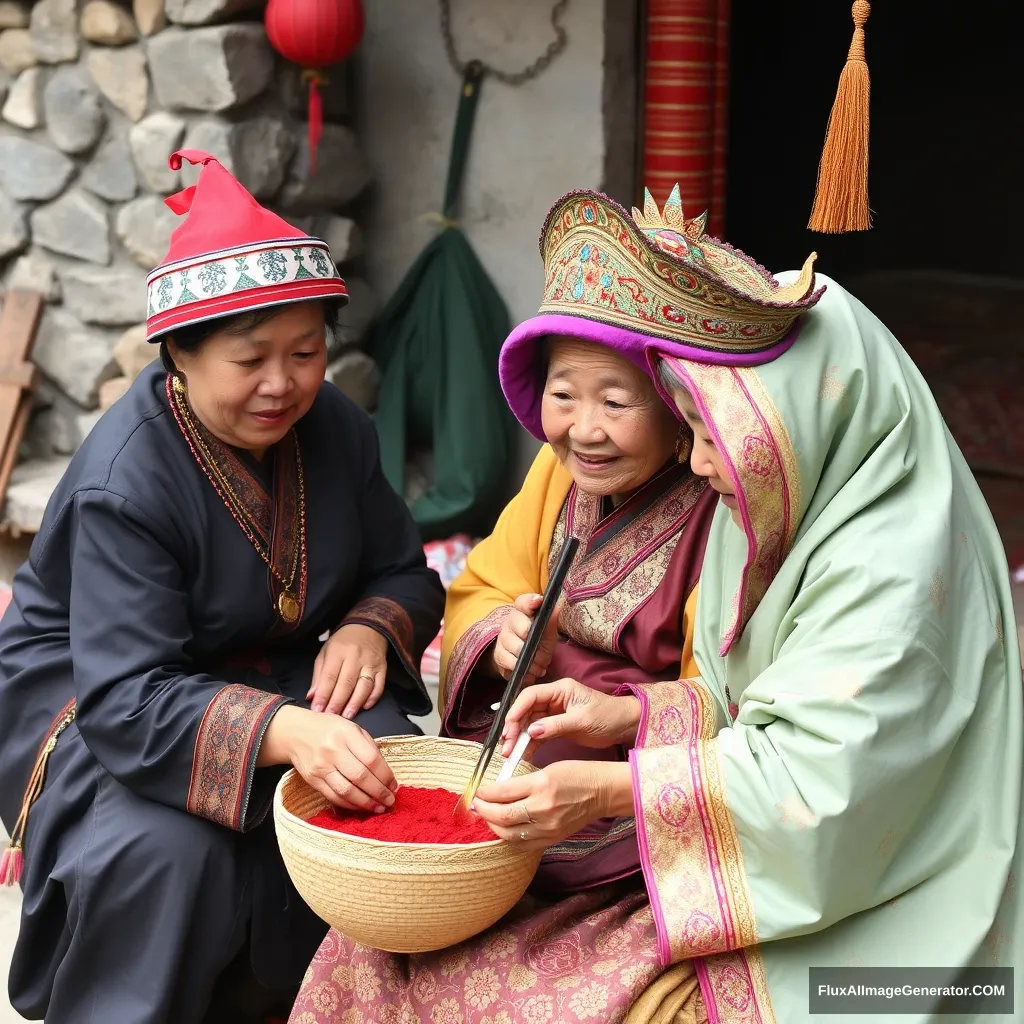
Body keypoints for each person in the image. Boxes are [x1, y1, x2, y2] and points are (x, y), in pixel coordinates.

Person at [287, 186, 856, 1024]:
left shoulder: (721, 512)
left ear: (680, 411)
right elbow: (480, 584)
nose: (582, 428)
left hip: (632, 811)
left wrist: (617, 717)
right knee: (370, 942)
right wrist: (506, 639)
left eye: (616, 401)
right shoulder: (557, 478)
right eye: (562, 392)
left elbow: (733, 696)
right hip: (514, 772)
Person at [0, 150, 445, 1024]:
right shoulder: (124, 483)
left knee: (386, 774)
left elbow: (402, 570)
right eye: (251, 360)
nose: (284, 385)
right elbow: (125, 696)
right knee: (169, 849)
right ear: (180, 359)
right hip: (99, 695)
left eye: (307, 352)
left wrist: (365, 628)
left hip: (271, 672)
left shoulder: (338, 431)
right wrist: (283, 732)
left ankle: (339, 1006)